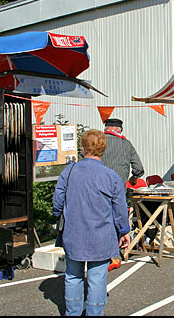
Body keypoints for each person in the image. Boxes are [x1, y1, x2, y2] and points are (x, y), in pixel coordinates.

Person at [52, 129, 130, 316]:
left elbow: (57, 202)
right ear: (103, 149)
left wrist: (58, 215)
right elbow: (120, 209)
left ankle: (73, 313)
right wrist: (124, 231)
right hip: (101, 235)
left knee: (72, 276)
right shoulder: (112, 176)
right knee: (97, 279)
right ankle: (94, 313)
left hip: (73, 232)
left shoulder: (69, 171)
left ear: (82, 148)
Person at [101, 118, 145, 186]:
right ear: (120, 130)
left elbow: (82, 162)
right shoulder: (126, 144)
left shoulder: (95, 142)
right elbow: (138, 168)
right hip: (119, 187)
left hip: (98, 187)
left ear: (105, 129)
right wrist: (134, 177)